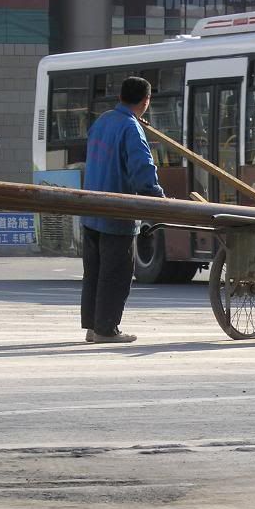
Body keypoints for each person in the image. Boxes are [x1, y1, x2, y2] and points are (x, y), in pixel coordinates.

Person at [80, 76, 166, 344]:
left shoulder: (104, 120)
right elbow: (142, 170)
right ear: (146, 101)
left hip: (91, 210)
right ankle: (107, 329)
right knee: (116, 272)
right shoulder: (131, 128)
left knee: (94, 271)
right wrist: (158, 197)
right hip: (117, 213)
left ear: (120, 97)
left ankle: (93, 327)